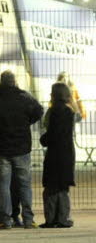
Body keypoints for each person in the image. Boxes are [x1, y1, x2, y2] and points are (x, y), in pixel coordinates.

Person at [0, 70, 43, 229]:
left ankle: (5, 220)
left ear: (0, 81)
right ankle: (28, 219)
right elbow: (39, 110)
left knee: (3, 186)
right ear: (14, 81)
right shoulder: (23, 96)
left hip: (1, 149)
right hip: (21, 147)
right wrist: (26, 121)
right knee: (24, 185)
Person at [41, 82, 79, 228]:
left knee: (51, 188)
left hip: (54, 153)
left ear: (54, 95)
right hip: (67, 153)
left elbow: (51, 134)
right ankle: (63, 219)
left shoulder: (53, 112)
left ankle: (51, 219)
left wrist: (43, 140)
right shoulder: (70, 112)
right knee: (63, 187)